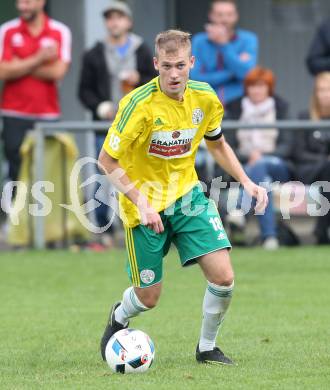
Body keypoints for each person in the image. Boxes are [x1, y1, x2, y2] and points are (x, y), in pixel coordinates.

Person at [97, 30, 268, 365]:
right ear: (155, 64)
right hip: (143, 205)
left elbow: (217, 143)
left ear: (191, 63)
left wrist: (246, 181)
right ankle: (119, 316)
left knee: (224, 277)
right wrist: (142, 202)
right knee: (148, 298)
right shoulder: (137, 105)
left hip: (188, 196)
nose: (174, 74)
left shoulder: (204, 98)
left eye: (180, 65)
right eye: (166, 66)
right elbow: (106, 160)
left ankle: (207, 348)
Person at [78, 1, 155, 246]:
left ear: (128, 22)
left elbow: (156, 83)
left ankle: (135, 224)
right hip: (106, 125)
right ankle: (102, 230)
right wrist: (99, 106)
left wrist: (139, 78)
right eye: (110, 18)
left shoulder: (142, 50)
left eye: (119, 17)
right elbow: (84, 90)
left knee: (138, 174)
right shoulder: (94, 53)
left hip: (139, 126)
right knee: (104, 174)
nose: (114, 22)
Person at [0, 0, 71, 184]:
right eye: (19, 2)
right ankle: (14, 213)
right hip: (13, 112)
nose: (22, 7)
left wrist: (19, 63)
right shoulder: (7, 30)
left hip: (47, 113)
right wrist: (39, 58)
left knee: (47, 171)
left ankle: (43, 213)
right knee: (15, 171)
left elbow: (57, 72)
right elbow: (3, 71)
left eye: (28, 2)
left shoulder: (60, 31)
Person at [225, 66, 294, 249]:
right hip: (244, 165)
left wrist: (261, 155)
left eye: (261, 86)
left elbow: (287, 145)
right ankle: (269, 237)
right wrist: (250, 156)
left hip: (277, 164)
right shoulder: (234, 107)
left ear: (269, 88)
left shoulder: (281, 107)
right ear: (246, 88)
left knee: (260, 165)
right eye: (252, 86)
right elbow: (227, 145)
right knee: (261, 177)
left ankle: (239, 210)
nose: (256, 90)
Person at [190, 0, 258, 105]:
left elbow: (247, 75)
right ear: (211, 16)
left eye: (229, 14)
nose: (224, 19)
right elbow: (195, 78)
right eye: (219, 14)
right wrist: (232, 73)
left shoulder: (248, 39)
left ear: (236, 16)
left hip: (238, 103)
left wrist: (224, 45)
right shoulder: (200, 41)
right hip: (205, 102)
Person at [294, 72, 330, 244]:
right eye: (321, 90)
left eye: (328, 90)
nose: (325, 94)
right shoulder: (304, 117)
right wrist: (324, 160)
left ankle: (321, 228)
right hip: (308, 170)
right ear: (315, 93)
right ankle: (322, 230)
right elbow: (299, 153)